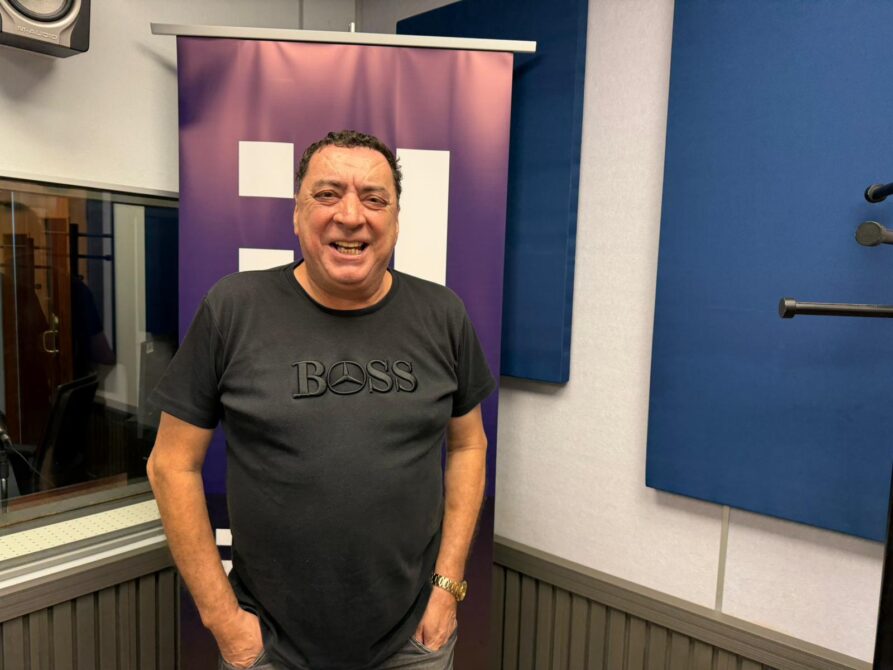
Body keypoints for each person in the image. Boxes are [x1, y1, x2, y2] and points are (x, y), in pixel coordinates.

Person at [147, 130, 495, 670]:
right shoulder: (233, 309)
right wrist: (223, 621)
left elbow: (470, 446)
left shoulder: (443, 315)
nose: (351, 216)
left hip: (412, 644)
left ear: (396, 219)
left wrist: (447, 588)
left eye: (374, 199)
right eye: (327, 194)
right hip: (268, 647)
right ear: (296, 213)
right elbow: (171, 464)